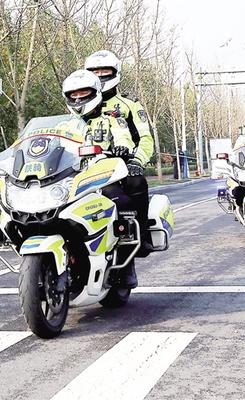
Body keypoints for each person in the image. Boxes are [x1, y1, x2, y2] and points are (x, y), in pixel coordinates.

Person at [62, 69, 147, 289]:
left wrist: (123, 148)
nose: (78, 99)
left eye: (83, 93)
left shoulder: (112, 118)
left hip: (101, 178)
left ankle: (126, 263)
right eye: (74, 95)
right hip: (69, 179)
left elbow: (124, 137)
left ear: (95, 93)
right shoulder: (64, 125)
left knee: (121, 204)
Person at [84, 50, 154, 255]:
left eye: (104, 71)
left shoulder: (129, 104)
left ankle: (141, 234)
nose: (99, 76)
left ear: (115, 73)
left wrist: (137, 161)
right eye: (95, 72)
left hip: (120, 165)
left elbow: (145, 138)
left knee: (136, 182)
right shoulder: (79, 103)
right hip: (83, 166)